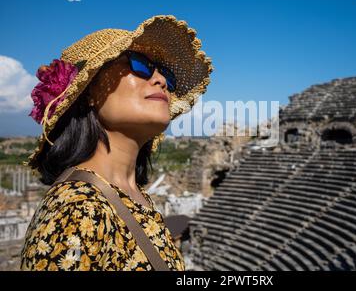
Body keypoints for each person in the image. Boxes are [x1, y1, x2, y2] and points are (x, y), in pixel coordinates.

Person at [20, 15, 213, 271]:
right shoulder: (77, 209)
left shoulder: (130, 197)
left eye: (165, 73)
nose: (162, 81)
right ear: (88, 92)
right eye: (140, 64)